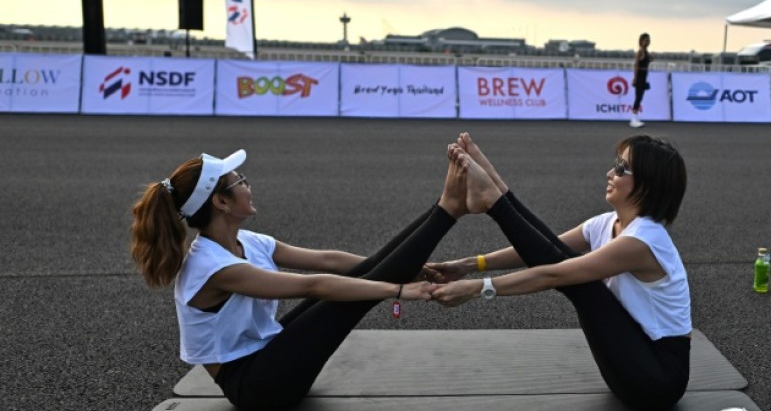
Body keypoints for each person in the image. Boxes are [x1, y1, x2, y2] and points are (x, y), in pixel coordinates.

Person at [130, 149, 468, 411]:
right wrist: (398, 289)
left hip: (267, 360)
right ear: (221, 202)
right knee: (339, 297)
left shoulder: (246, 241)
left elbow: (326, 260)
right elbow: (313, 285)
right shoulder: (214, 267)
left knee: (357, 277)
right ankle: (448, 209)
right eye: (239, 181)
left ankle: (444, 207)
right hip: (256, 388)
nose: (247, 185)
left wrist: (409, 270)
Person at [430, 133, 691, 411]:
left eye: (621, 168)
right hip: (629, 366)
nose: (609, 173)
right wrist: (468, 264)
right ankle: (496, 193)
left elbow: (554, 274)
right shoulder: (607, 224)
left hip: (658, 381)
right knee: (562, 258)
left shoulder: (643, 241)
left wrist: (477, 288)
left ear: (647, 186)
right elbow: (544, 245)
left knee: (584, 284)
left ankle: (495, 201)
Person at [630, 33, 653, 128]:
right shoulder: (640, 52)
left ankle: (635, 117)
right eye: (645, 40)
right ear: (641, 41)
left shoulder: (646, 52)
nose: (647, 42)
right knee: (638, 97)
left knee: (640, 97)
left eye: (648, 40)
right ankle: (633, 119)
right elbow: (636, 65)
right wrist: (635, 78)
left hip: (644, 77)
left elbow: (650, 60)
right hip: (640, 76)